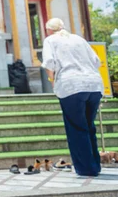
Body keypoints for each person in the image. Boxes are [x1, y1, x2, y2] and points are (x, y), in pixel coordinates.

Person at [42, 17, 104, 177]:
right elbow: (96, 61)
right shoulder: (79, 39)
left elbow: (50, 63)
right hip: (94, 84)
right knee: (89, 126)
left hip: (71, 85)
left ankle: (86, 169)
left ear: (48, 30)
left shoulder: (50, 40)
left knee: (76, 128)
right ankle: (95, 165)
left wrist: (52, 82)